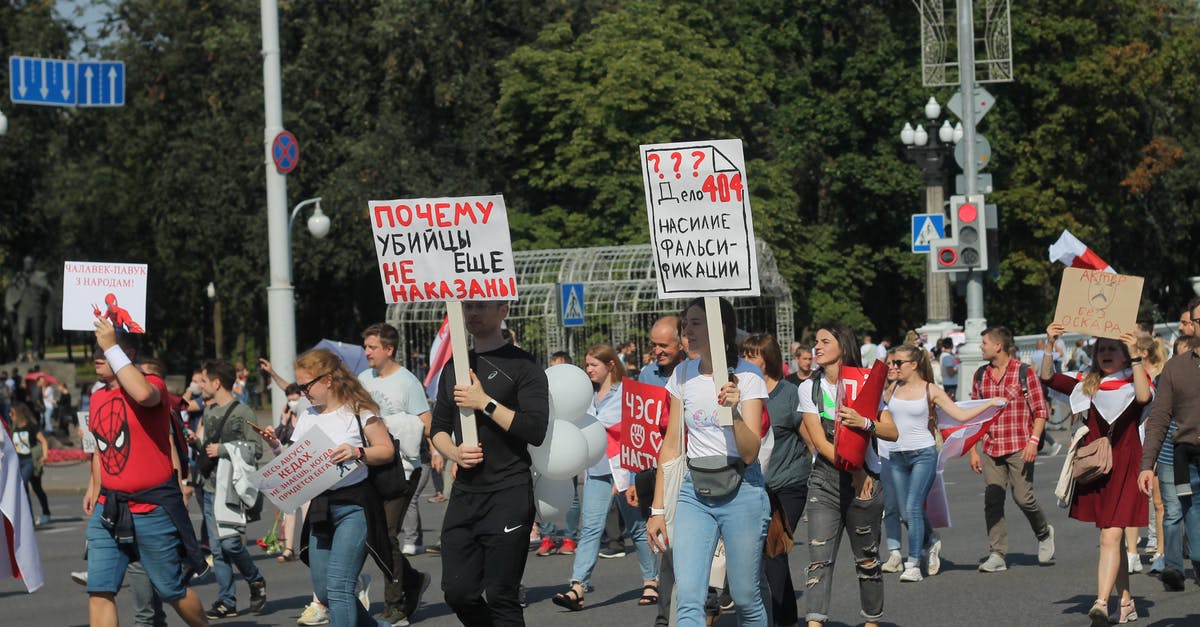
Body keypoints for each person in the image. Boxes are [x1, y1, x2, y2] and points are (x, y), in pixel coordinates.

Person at [646, 297, 770, 626]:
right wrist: (658, 509)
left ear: (720, 329)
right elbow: (671, 446)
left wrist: (734, 413)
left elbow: (750, 452)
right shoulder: (682, 374)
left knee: (745, 597)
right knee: (687, 596)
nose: (687, 329)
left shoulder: (749, 375)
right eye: (685, 323)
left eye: (696, 322)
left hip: (742, 489)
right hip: (694, 492)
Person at [429, 300, 549, 626]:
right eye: (467, 307)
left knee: (501, 595)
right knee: (458, 592)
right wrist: (453, 453)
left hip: (509, 490)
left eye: (481, 306)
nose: (472, 314)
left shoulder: (524, 365)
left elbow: (535, 430)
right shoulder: (455, 365)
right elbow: (438, 429)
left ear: (504, 310)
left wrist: (485, 403)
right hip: (466, 493)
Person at [84, 320, 209, 627]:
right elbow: (104, 450)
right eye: (97, 349)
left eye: (107, 349)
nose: (99, 356)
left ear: (129, 353)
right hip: (109, 509)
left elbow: (142, 394)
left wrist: (112, 345)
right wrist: (93, 485)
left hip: (152, 509)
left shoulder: (154, 384)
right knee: (99, 589)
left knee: (171, 589)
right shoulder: (98, 396)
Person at [261, 348, 397, 627]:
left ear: (328, 379)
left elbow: (386, 451)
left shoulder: (359, 411)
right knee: (324, 591)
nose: (302, 392)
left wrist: (357, 452)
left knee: (339, 588)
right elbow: (295, 461)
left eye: (306, 386)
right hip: (321, 507)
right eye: (299, 386)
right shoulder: (308, 415)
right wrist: (276, 446)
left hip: (354, 506)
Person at [1042, 324, 1150, 625]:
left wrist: (1136, 356)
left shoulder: (1135, 378)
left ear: (1124, 355)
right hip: (1098, 467)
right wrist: (1051, 343)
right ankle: (1126, 602)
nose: (1105, 353)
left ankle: (1101, 603)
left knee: (1110, 535)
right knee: (1110, 538)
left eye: (1112, 349)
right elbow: (1049, 378)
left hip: (1127, 465)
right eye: (1101, 349)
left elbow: (1143, 397)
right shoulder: (1086, 382)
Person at [795, 322, 898, 627]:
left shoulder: (867, 382)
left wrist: (865, 423)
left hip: (867, 483)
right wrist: (853, 469)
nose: (817, 346)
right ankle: (815, 622)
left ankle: (871, 620)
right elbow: (820, 442)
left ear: (843, 345)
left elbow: (891, 431)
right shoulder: (809, 388)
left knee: (867, 561)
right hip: (826, 481)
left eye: (825, 341)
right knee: (818, 561)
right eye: (816, 341)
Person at [882, 344, 1005, 582]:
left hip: (923, 455)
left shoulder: (931, 390)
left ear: (914, 364)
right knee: (905, 513)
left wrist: (989, 404)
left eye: (899, 363)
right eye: (893, 362)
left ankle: (913, 564)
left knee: (913, 507)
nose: (894, 367)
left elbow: (960, 415)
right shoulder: (892, 388)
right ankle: (931, 539)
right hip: (897, 456)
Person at [553, 344, 658, 611]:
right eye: (586, 365)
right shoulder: (584, 396)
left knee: (636, 528)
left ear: (610, 365)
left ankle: (651, 581)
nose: (588, 370)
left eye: (593, 365)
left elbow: (638, 434)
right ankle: (577, 587)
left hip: (626, 470)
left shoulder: (628, 392)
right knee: (590, 528)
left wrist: (634, 479)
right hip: (596, 470)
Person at [358, 322, 433, 626]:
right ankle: (412, 579)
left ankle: (396, 603)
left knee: (387, 534)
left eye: (372, 347)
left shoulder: (408, 382)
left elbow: (427, 421)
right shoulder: (363, 379)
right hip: (371, 465)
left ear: (389, 349)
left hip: (402, 469)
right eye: (365, 347)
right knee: (371, 536)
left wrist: (440, 452)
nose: (366, 353)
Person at [968, 325, 1055, 573]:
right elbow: (975, 417)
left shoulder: (1024, 372)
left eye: (984, 342)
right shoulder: (980, 376)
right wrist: (973, 450)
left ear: (998, 346)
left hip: (1020, 445)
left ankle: (1044, 532)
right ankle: (997, 553)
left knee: (1023, 497)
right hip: (991, 447)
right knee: (992, 500)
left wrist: (1034, 442)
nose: (981, 347)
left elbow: (1040, 411)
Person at [741, 333, 814, 627]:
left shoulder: (788, 394)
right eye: (743, 355)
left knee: (774, 549)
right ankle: (778, 616)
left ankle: (783, 620)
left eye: (751, 356)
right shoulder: (743, 394)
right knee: (759, 555)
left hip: (787, 485)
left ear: (767, 359)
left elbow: (810, 440)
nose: (744, 361)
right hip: (753, 486)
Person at [191, 359, 266, 619]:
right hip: (211, 487)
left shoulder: (243, 412)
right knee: (217, 549)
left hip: (231, 491)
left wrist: (223, 450)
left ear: (216, 383)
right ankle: (227, 601)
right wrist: (196, 443)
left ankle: (255, 580)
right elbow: (207, 450)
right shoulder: (209, 412)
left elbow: (256, 448)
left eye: (203, 380)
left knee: (232, 544)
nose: (199, 385)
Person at [631, 315, 687, 627]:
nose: (657, 351)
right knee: (666, 548)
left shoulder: (689, 374)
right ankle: (665, 617)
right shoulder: (645, 373)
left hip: (686, 468)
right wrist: (631, 478)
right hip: (654, 471)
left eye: (663, 345)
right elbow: (635, 430)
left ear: (681, 344)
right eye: (654, 345)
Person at [1139, 331, 1200, 594]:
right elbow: (1159, 417)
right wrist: (1146, 463)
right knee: (1183, 512)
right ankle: (1176, 565)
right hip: (1186, 457)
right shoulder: (1176, 367)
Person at [10, 402, 52, 525]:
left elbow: (43, 441)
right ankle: (29, 518)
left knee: (25, 485)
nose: (10, 415)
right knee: (29, 488)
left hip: (31, 461)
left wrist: (45, 456)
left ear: (18, 414)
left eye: (12, 413)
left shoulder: (31, 426)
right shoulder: (14, 428)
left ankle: (45, 513)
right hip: (19, 461)